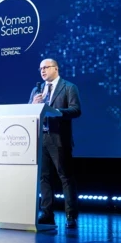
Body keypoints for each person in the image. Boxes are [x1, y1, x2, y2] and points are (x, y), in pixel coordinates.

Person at [29, 58, 82, 228]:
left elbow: (76, 110)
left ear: (56, 68)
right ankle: (47, 214)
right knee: (44, 178)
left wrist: (56, 111)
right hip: (41, 138)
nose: (43, 71)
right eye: (40, 68)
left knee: (65, 177)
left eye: (46, 67)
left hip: (59, 138)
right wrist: (33, 104)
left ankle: (71, 215)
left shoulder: (69, 87)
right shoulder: (37, 90)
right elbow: (28, 112)